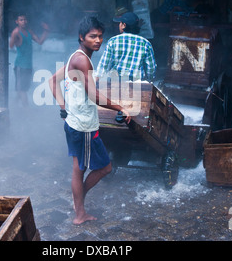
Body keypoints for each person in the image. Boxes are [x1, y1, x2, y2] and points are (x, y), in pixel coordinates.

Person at [49, 16, 131, 225]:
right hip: (83, 127)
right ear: (81, 37)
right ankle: (79, 210)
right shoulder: (82, 60)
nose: (98, 40)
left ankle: (79, 207)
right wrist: (119, 107)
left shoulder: (75, 57)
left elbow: (52, 81)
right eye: (92, 36)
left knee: (80, 167)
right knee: (103, 168)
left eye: (100, 36)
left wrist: (63, 107)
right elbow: (94, 95)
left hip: (75, 123)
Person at [95, 12, 157, 82]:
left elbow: (104, 64)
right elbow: (151, 67)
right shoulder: (145, 43)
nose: (119, 25)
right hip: (136, 84)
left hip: (116, 82)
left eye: (120, 23)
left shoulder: (113, 41)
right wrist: (149, 79)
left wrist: (98, 78)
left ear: (124, 25)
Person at [9, 13, 49, 107]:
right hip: (20, 66)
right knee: (22, 90)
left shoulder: (29, 31)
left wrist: (46, 31)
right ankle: (27, 112)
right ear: (17, 22)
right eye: (21, 20)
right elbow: (11, 46)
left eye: (25, 20)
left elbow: (40, 42)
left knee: (22, 90)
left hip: (28, 66)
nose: (24, 22)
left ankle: (12, 107)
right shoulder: (16, 32)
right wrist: (17, 42)